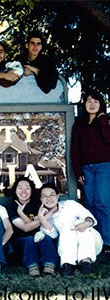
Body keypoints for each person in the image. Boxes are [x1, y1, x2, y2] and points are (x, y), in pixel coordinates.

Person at [71, 90, 110, 254]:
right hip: (86, 169)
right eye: (88, 101)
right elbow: (75, 150)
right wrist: (78, 170)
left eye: (96, 101)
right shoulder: (79, 125)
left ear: (101, 104)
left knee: (102, 202)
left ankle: (107, 240)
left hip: (104, 166)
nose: (92, 104)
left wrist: (102, 119)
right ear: (84, 104)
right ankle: (94, 239)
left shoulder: (105, 121)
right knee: (90, 204)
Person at [38, 182, 103, 276]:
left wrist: (86, 223)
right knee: (66, 227)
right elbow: (53, 235)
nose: (49, 199)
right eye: (44, 196)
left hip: (90, 241)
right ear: (41, 199)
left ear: (57, 196)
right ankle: (68, 264)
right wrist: (42, 218)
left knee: (77, 223)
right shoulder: (45, 216)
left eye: (52, 195)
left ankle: (86, 261)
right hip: (67, 247)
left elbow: (87, 216)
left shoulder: (70, 204)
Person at [7, 177, 58, 277]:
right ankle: (32, 266)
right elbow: (26, 228)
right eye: (20, 188)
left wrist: (25, 215)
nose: (24, 191)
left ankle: (50, 264)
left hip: (39, 236)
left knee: (46, 238)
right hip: (21, 241)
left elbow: (33, 223)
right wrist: (43, 217)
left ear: (32, 190)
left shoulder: (38, 204)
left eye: (27, 188)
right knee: (29, 239)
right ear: (15, 190)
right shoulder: (12, 207)